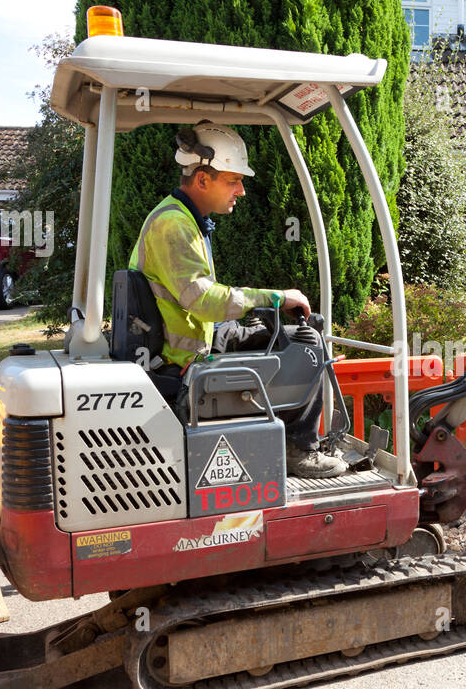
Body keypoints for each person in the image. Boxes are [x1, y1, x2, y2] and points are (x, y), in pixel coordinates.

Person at [129, 119, 347, 478]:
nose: (241, 191)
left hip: (201, 337)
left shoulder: (183, 218)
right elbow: (203, 300)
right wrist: (275, 297)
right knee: (309, 345)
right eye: (233, 180)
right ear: (202, 179)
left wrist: (260, 309)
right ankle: (298, 449)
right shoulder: (175, 225)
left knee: (301, 332)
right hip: (185, 358)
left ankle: (290, 440)